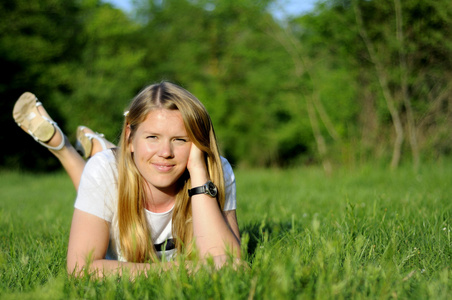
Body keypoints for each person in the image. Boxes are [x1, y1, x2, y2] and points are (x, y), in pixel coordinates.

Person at [12, 81, 241, 277]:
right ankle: (64, 149)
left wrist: (200, 176)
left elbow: (229, 265)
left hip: (131, 165)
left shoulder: (215, 170)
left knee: (112, 176)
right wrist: (179, 271)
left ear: (197, 145)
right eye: (152, 137)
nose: (165, 152)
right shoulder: (104, 171)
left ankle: (104, 147)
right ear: (130, 139)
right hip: (112, 169)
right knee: (106, 174)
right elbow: (80, 269)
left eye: (180, 140)